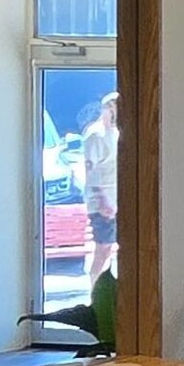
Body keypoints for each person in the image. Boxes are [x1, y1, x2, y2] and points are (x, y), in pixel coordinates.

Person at [78, 92, 124, 279]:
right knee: (103, 248)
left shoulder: (118, 133)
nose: (114, 114)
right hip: (101, 202)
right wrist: (103, 199)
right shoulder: (96, 135)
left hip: (117, 198)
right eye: (110, 109)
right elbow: (91, 170)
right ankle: (94, 289)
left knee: (117, 248)